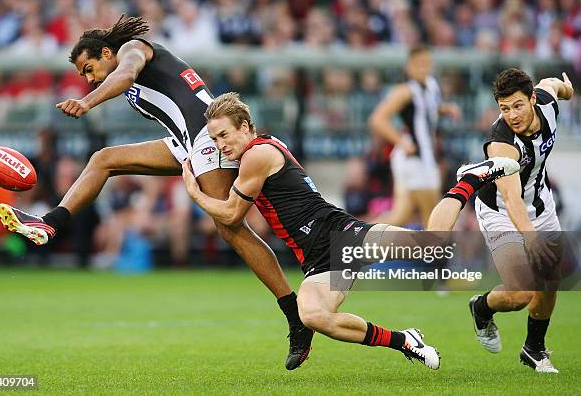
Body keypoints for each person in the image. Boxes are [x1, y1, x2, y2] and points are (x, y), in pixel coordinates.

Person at [0, 15, 312, 370]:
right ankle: (51, 223)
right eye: (83, 76)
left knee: (230, 224)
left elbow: (125, 74)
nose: (88, 78)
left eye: (89, 68)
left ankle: (295, 312)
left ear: (106, 52)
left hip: (207, 138)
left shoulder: (132, 50)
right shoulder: (130, 61)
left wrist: (87, 102)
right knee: (104, 159)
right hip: (185, 142)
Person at [182, 92, 520, 369]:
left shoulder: (257, 154)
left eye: (224, 135)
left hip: (341, 234)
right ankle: (405, 340)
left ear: (244, 127)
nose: (220, 145)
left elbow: (230, 214)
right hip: (317, 260)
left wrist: (195, 192)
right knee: (313, 315)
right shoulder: (255, 152)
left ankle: (469, 180)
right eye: (213, 138)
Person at [468, 69, 574, 373]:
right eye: (504, 108)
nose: (512, 115)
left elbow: (553, 84)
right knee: (520, 293)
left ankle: (534, 349)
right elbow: (511, 198)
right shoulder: (501, 143)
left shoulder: (547, 103)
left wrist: (567, 90)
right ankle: (481, 306)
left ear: (532, 99)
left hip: (541, 204)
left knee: (550, 281)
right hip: (500, 212)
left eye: (517, 105)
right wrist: (530, 237)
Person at [369, 45, 461, 227]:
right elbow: (377, 119)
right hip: (416, 159)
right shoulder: (405, 91)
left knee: (400, 216)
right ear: (409, 67)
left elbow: (428, 110)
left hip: (416, 159)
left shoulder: (430, 86)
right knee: (433, 218)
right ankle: (437, 255)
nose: (423, 68)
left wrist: (446, 109)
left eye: (427, 64)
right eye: (419, 64)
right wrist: (400, 141)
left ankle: (357, 243)